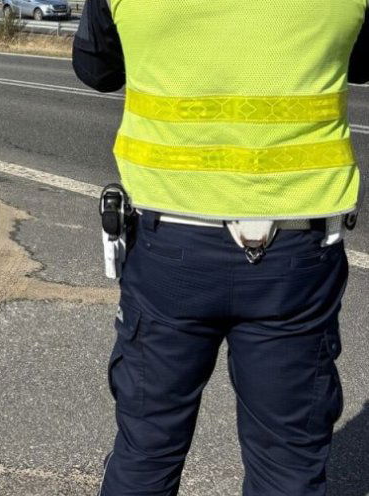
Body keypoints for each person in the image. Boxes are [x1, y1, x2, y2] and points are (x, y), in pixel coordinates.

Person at [72, 0, 368, 494]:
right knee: (288, 466)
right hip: (297, 252)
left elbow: (96, 70)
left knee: (147, 451)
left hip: (168, 246)